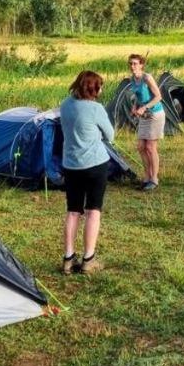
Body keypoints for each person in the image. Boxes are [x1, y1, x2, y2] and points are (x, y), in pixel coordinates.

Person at [59, 69, 115, 274]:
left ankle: (68, 259)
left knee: (73, 212)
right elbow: (110, 135)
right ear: (93, 88)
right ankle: (88, 259)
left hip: (71, 165)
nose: (101, 89)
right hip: (95, 165)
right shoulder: (95, 109)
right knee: (93, 211)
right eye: (99, 86)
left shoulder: (65, 105)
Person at [127, 54, 164, 191]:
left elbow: (158, 97)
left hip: (155, 114)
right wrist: (135, 106)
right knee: (141, 147)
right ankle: (147, 176)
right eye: (131, 64)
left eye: (135, 63)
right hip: (144, 116)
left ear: (142, 65)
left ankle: (154, 179)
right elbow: (138, 96)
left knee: (150, 147)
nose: (132, 66)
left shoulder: (147, 78)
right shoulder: (132, 79)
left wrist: (144, 107)